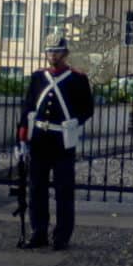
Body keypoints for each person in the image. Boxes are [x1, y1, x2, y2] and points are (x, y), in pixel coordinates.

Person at [17, 33, 93, 250]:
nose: (53, 55)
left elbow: (87, 108)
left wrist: (74, 122)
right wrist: (22, 137)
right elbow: (28, 106)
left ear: (65, 53)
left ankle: (61, 235)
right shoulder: (38, 77)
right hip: (40, 139)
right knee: (37, 188)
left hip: (62, 140)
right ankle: (38, 232)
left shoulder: (77, 78)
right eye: (50, 51)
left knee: (63, 190)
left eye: (57, 51)